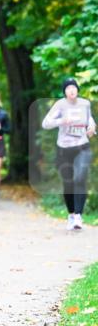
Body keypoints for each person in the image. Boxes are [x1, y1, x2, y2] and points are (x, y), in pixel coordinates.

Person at [42, 78, 96, 230]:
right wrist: (61, 121)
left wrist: (92, 126)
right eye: (68, 88)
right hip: (64, 149)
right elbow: (45, 123)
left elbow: (89, 118)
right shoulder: (60, 105)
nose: (71, 90)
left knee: (80, 178)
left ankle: (78, 216)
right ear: (64, 91)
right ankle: (71, 214)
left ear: (77, 90)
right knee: (68, 183)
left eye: (74, 88)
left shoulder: (85, 103)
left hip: (82, 147)